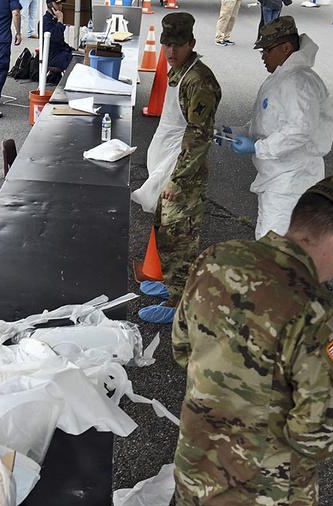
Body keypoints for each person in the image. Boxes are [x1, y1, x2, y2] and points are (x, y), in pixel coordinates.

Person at [171, 175, 333, 506]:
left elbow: (182, 348)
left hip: (195, 471)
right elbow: (319, 438)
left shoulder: (216, 259)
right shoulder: (318, 313)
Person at [130, 12, 221, 325]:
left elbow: (199, 137)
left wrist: (178, 181)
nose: (171, 50)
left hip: (183, 174)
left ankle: (178, 300)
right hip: (169, 168)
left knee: (180, 237)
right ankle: (170, 283)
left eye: (179, 44)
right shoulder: (178, 72)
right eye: (167, 43)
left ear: (192, 43)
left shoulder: (199, 81)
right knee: (165, 230)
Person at [222, 16, 333, 239]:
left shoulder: (298, 81)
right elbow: (270, 123)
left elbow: (300, 130)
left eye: (266, 50)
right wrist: (238, 133)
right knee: (272, 243)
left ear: (285, 47)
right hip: (279, 178)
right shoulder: (283, 77)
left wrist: (258, 148)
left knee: (276, 248)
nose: (263, 57)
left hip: (292, 181)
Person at [42, 0, 74, 79]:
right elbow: (56, 38)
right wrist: (60, 21)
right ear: (50, 5)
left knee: (79, 56)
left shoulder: (54, 19)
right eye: (57, 3)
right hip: (52, 57)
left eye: (60, 3)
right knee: (77, 63)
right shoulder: (45, 21)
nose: (60, 6)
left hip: (60, 53)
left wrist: (72, 49)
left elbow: (61, 42)